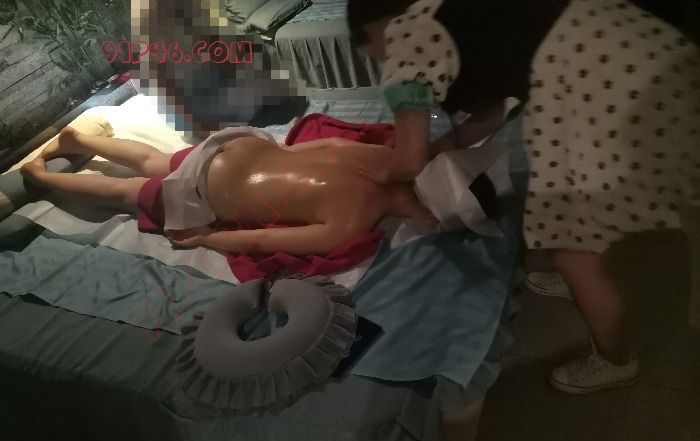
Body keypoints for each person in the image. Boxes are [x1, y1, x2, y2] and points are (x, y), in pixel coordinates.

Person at [347, 0, 700, 393]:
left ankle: (614, 359)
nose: (378, 61)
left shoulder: (404, 37)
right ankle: (584, 272)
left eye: (369, 53)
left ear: (374, 29)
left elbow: (408, 159)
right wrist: (437, 148)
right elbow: (490, 113)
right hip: (638, 54)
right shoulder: (451, 17)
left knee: (571, 247)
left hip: (610, 85)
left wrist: (379, 170)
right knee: (588, 207)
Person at [20, 126, 434, 256]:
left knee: (155, 160)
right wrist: (206, 238)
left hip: (240, 146)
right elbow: (261, 240)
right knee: (124, 192)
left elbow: (321, 145)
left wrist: (279, 155)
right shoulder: (351, 222)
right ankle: (40, 177)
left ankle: (77, 138)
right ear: (421, 214)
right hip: (207, 190)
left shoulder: (378, 157)